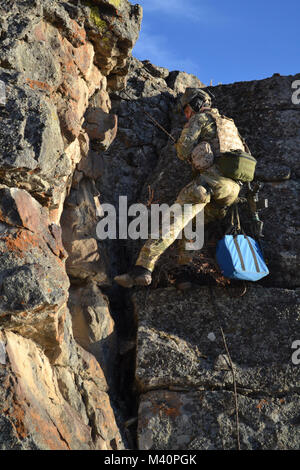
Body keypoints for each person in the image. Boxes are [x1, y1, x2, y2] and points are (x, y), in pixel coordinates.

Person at [114, 88, 246, 288]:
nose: (186, 115)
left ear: (195, 104)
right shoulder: (229, 124)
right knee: (194, 224)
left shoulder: (200, 119)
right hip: (232, 192)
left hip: (209, 185)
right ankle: (184, 273)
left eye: (186, 110)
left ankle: (142, 268)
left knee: (172, 221)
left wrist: (183, 147)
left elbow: (183, 150)